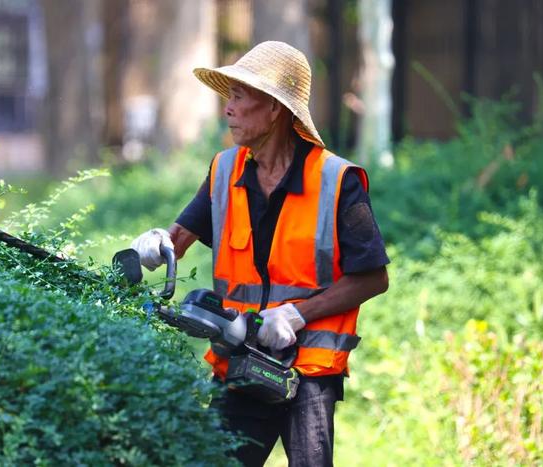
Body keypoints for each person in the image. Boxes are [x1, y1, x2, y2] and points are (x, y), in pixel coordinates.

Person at [131, 41, 389, 467]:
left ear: (274, 109)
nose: (227, 109)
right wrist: (157, 244)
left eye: (238, 96)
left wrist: (296, 315)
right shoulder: (224, 170)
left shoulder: (336, 180)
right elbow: (177, 238)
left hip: (308, 371)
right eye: (227, 96)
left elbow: (374, 278)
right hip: (240, 358)